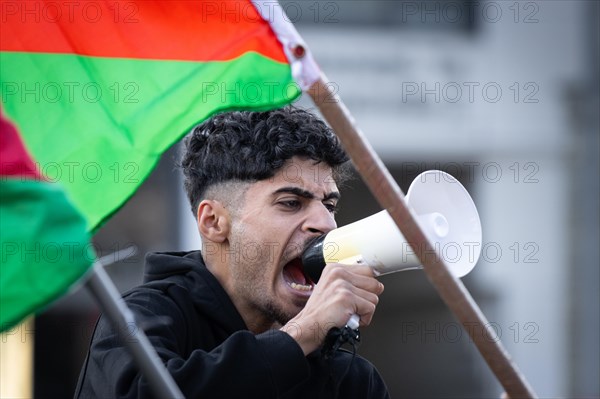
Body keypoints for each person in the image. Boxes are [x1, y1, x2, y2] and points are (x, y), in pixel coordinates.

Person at [75, 106, 389, 398]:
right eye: (291, 203)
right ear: (213, 222)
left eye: (330, 205)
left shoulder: (349, 379)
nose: (326, 223)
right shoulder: (138, 319)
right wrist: (302, 333)